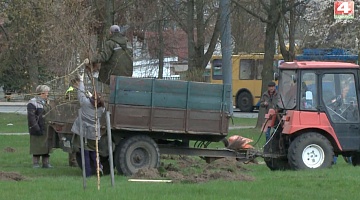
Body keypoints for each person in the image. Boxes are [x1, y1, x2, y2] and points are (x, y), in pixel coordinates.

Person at [70, 75, 105, 177]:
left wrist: (81, 81)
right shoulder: (101, 109)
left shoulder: (85, 104)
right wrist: (92, 97)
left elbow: (80, 94)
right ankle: (99, 167)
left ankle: (88, 174)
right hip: (95, 134)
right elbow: (96, 102)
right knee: (94, 153)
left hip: (85, 133)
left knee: (85, 153)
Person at [27, 85, 53, 168]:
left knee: (46, 146)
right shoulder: (32, 102)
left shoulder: (47, 102)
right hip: (37, 128)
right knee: (37, 146)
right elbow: (32, 117)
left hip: (47, 128)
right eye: (45, 93)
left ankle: (46, 163)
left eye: (47, 92)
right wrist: (37, 128)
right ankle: (36, 163)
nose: (47, 94)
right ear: (40, 93)